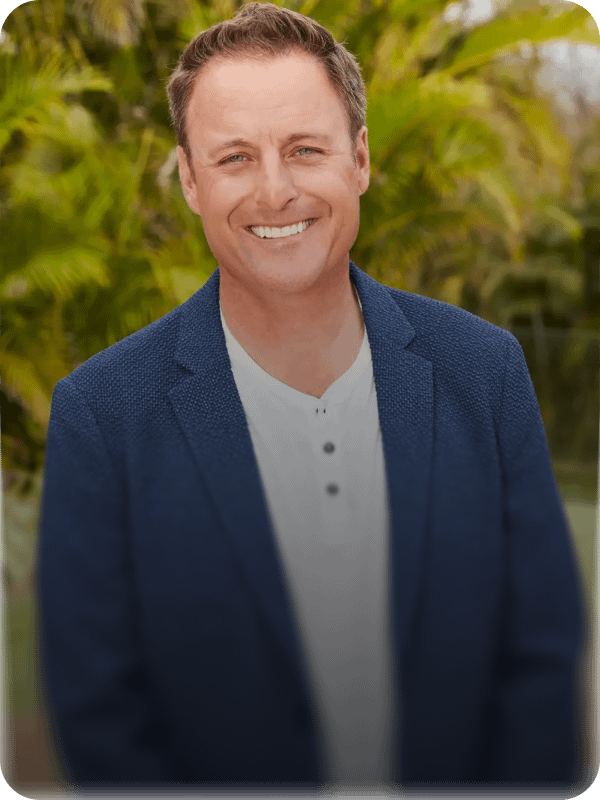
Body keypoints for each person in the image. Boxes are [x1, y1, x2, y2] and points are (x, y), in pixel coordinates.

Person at [33, 4, 591, 800]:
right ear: (189, 179)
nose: (275, 190)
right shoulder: (101, 415)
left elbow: (540, 654)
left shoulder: (485, 369)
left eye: (304, 149)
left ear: (358, 159)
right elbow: (100, 716)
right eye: (234, 157)